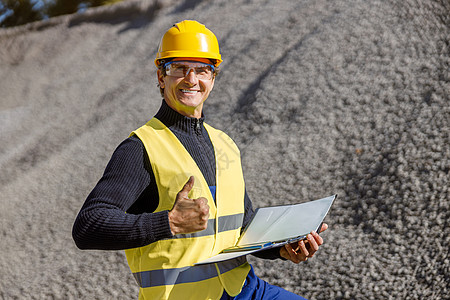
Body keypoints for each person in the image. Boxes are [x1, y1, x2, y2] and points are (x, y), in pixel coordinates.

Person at [72, 20, 328, 300]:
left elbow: (241, 225)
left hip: (245, 290)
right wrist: (168, 223)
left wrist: (282, 247)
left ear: (213, 78)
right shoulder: (141, 147)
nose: (191, 79)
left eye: (202, 70)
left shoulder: (224, 144)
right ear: (161, 76)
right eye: (179, 68)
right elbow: (88, 225)